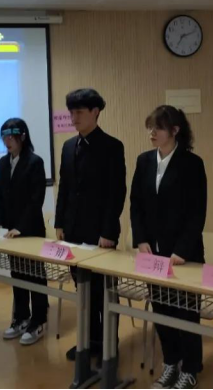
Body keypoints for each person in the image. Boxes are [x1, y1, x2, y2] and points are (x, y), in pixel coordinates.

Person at [130, 106, 207, 390]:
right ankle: (171, 362)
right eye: (150, 127)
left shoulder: (192, 164)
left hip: (183, 255)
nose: (152, 133)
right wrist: (141, 240)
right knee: (161, 311)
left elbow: (197, 212)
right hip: (153, 254)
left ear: (175, 131)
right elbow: (136, 204)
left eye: (158, 128)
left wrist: (182, 250)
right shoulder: (144, 161)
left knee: (186, 313)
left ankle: (191, 368)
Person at [54, 88, 126, 361]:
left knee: (104, 291)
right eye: (71, 112)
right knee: (83, 290)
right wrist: (60, 222)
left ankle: (109, 344)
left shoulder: (112, 146)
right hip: (73, 231)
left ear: (95, 112)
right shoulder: (68, 146)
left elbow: (116, 192)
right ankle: (90, 340)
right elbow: (64, 188)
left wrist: (108, 232)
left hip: (100, 233)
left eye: (79, 112)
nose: (73, 118)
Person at [0, 118, 49, 346]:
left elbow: (36, 199)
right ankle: (21, 317)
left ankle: (39, 320)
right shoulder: (3, 162)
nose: (7, 141)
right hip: (11, 232)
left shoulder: (35, 162)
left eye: (11, 136)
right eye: (4, 137)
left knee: (35, 275)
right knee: (17, 274)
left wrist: (21, 227)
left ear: (22, 137)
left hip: (31, 230)